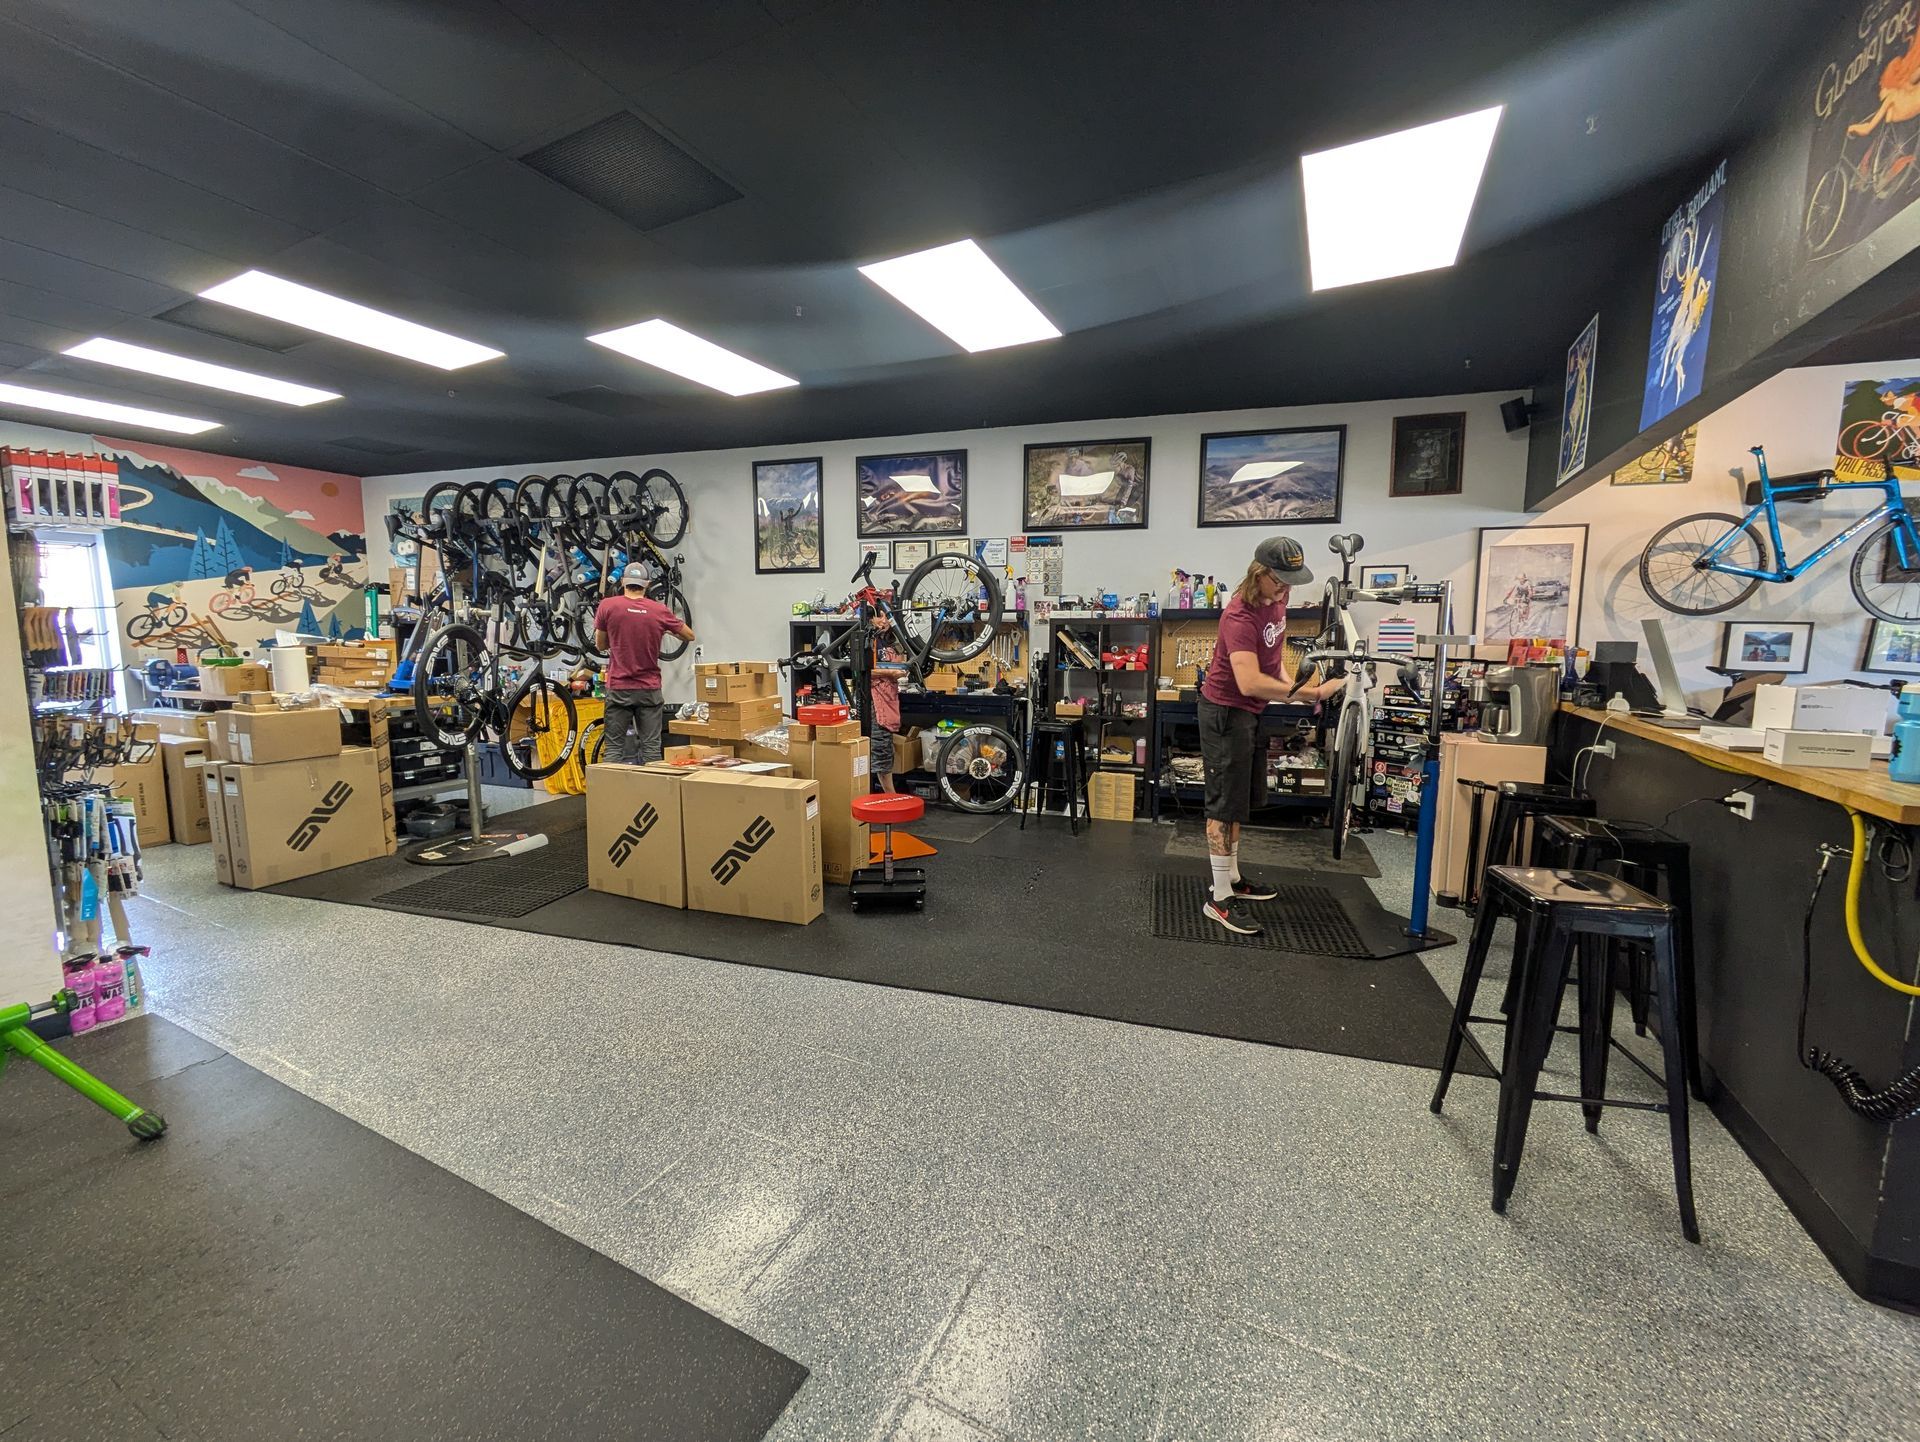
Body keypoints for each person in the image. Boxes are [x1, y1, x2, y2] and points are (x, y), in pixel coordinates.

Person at [1196, 535, 1343, 935]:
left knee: (1240, 802)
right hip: (1225, 713)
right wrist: (1313, 693)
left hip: (1251, 713)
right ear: (1258, 573)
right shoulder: (1238, 617)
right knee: (1222, 806)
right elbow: (1248, 681)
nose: (1285, 589)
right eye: (1278, 580)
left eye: (1290, 581)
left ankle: (1232, 879)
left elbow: (1273, 663)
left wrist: (1295, 690)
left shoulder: (1278, 601)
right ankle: (1218, 898)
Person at [592, 563, 694, 765]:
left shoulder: (607, 606)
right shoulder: (659, 610)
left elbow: (600, 644)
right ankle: (652, 786)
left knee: (614, 748)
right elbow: (689, 635)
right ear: (646, 584)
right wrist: (665, 629)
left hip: (619, 687)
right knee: (651, 749)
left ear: (623, 582)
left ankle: (608, 786)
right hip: (649, 689)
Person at [869, 616, 906, 792]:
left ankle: (888, 795)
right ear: (870, 617)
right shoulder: (867, 640)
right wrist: (890, 672)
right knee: (881, 747)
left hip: (889, 696)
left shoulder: (890, 639)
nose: (884, 621)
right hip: (875, 699)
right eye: (879, 616)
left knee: (886, 747)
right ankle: (889, 796)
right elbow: (860, 671)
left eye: (887, 617)